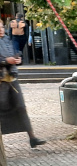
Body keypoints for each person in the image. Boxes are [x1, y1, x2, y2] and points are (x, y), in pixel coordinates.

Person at [0, 20, 46, 148]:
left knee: (21, 107)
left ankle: (32, 138)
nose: (1, 29)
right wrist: (4, 61)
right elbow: (4, 59)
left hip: (12, 79)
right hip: (1, 81)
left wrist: (17, 59)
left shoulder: (8, 39)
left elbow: (17, 51)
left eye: (2, 27)